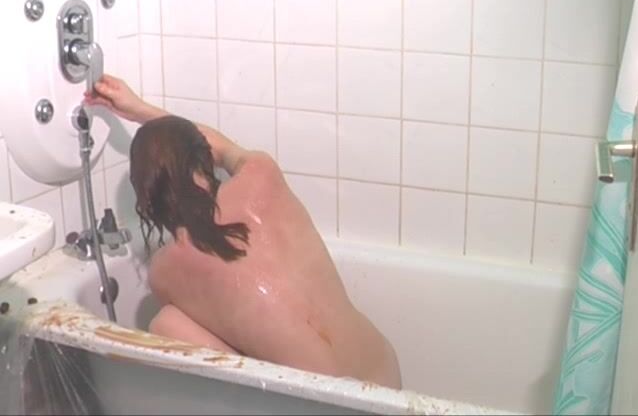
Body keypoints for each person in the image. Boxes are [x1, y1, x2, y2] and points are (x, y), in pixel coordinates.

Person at [84, 75, 402, 390]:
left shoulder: (165, 270)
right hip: (385, 377)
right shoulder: (261, 174)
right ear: (204, 157)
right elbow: (212, 143)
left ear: (146, 199)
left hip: (331, 405)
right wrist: (139, 109)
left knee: (168, 323)